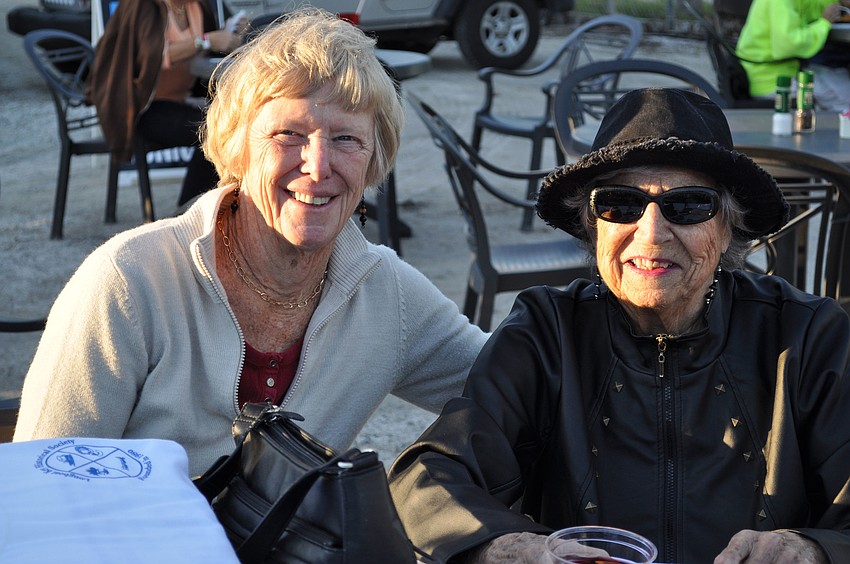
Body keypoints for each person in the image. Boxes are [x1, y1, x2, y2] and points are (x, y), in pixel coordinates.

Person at [13, 8, 488, 478]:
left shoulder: (388, 296)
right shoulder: (129, 283)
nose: (318, 167)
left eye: (346, 138)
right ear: (236, 147)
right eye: (288, 134)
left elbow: (521, 378)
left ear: (373, 161)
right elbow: (40, 490)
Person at [388, 88, 850, 563]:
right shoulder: (548, 332)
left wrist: (811, 550)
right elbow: (428, 477)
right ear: (592, 225)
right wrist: (509, 546)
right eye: (620, 204)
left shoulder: (807, 336)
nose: (650, 233)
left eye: (689, 205)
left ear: (729, 227)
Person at [89, 0, 246, 207]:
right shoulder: (143, 7)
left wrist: (230, 33)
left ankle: (221, 208)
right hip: (142, 108)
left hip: (182, 98)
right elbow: (152, 56)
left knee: (232, 123)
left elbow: (208, 54)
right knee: (213, 131)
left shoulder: (195, 7)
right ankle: (188, 211)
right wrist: (206, 40)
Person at [736, 0, 850, 111]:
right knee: (845, 96)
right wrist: (824, 23)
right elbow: (788, 45)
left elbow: (810, 6)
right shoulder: (780, 2)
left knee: (842, 78)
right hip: (774, 81)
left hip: (783, 69)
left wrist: (838, 2)